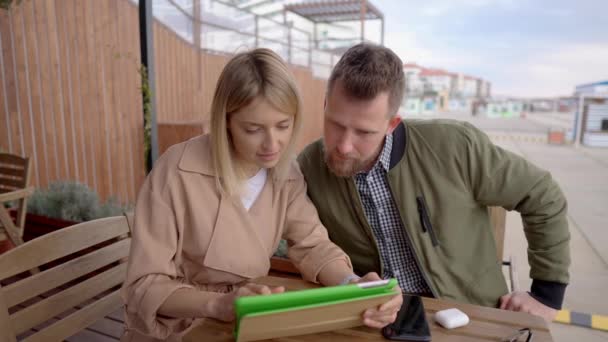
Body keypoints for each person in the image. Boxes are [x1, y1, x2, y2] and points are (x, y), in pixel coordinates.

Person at [121, 48, 402, 342]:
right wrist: (218, 305)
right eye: (253, 129)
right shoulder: (176, 172)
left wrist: (353, 284)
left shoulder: (286, 173)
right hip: (173, 329)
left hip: (242, 323)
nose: (273, 144)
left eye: (283, 125)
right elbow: (144, 285)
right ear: (226, 120)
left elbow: (313, 245)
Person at [297, 43, 570, 322]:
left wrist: (546, 295)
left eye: (364, 132)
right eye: (335, 124)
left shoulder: (455, 146)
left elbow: (542, 194)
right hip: (376, 319)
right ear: (325, 105)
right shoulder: (308, 166)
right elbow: (295, 237)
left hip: (471, 317)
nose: (343, 146)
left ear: (393, 124)